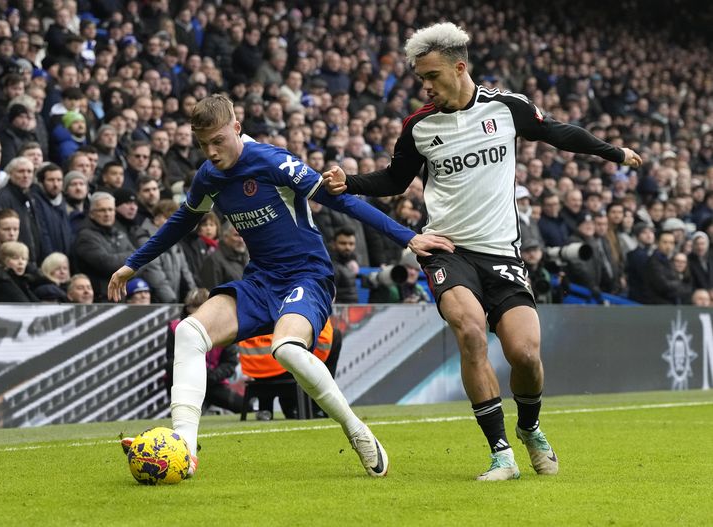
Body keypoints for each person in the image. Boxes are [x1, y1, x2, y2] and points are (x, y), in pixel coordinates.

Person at [322, 22, 642, 481]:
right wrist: (347, 181)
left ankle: (530, 428)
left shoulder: (506, 108)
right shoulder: (419, 126)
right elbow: (394, 181)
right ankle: (501, 454)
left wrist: (614, 153)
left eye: (431, 76)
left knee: (526, 355)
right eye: (420, 80)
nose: (425, 87)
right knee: (470, 330)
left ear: (459, 67)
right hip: (446, 249)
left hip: (502, 253)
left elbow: (558, 132)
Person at [110, 94, 453, 478]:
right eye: (203, 144)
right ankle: (184, 449)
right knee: (190, 332)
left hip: (307, 275)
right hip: (260, 280)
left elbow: (344, 203)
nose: (211, 151)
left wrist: (408, 237)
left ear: (237, 128)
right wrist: (131, 264)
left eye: (218, 141)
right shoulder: (209, 176)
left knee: (286, 349)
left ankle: (357, 432)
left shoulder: (273, 162)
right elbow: (182, 221)